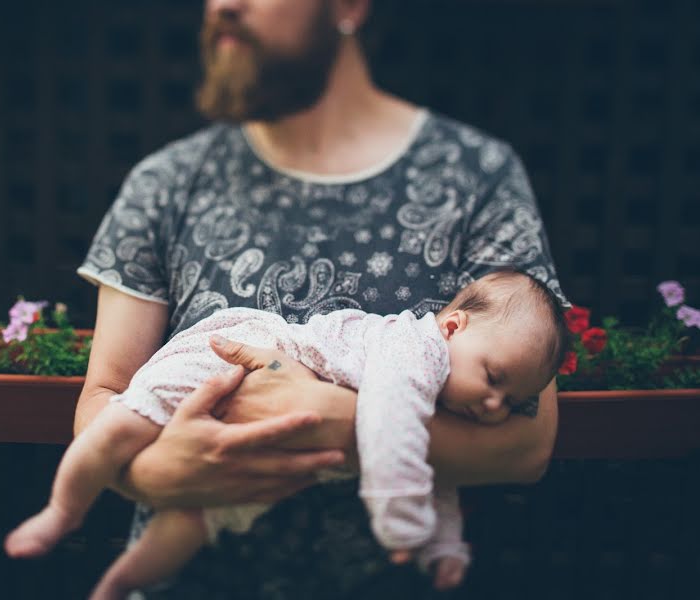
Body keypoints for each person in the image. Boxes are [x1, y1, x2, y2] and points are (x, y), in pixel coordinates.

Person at [71, 0, 569, 596]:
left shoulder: (475, 177)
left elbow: (527, 445)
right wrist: (153, 473)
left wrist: (326, 419)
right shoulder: (166, 183)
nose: (224, 6)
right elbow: (102, 396)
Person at [5, 271, 569, 599]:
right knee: (129, 420)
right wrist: (404, 525)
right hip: (242, 356)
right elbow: (391, 429)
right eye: (493, 378)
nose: (493, 404)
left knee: (195, 522)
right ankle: (62, 509)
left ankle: (116, 586)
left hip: (275, 440)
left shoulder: (443, 389)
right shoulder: (416, 351)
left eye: (510, 399)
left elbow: (429, 467)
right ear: (453, 326)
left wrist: (442, 545)